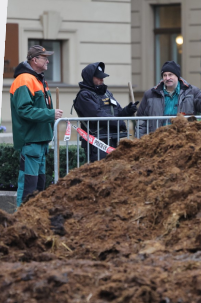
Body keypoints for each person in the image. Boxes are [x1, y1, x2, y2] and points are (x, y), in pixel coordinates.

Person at [10, 45, 64, 206]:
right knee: (29, 188)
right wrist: (50, 114)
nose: (48, 60)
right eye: (44, 57)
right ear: (34, 60)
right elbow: (24, 110)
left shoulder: (37, 79)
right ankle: (21, 224)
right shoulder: (24, 80)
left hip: (39, 141)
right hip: (31, 141)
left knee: (38, 188)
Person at [137, 61, 201, 137]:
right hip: (157, 142)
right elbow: (141, 122)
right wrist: (139, 143)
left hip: (182, 142)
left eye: (170, 74)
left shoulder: (190, 92)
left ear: (177, 76)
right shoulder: (150, 94)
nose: (167, 78)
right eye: (164, 75)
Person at [73, 62, 138, 162]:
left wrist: (128, 110)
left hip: (112, 139)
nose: (102, 79)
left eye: (102, 77)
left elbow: (117, 112)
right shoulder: (84, 95)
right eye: (98, 77)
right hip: (97, 143)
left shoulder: (106, 93)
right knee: (99, 174)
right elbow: (97, 115)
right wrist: (118, 123)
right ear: (90, 78)